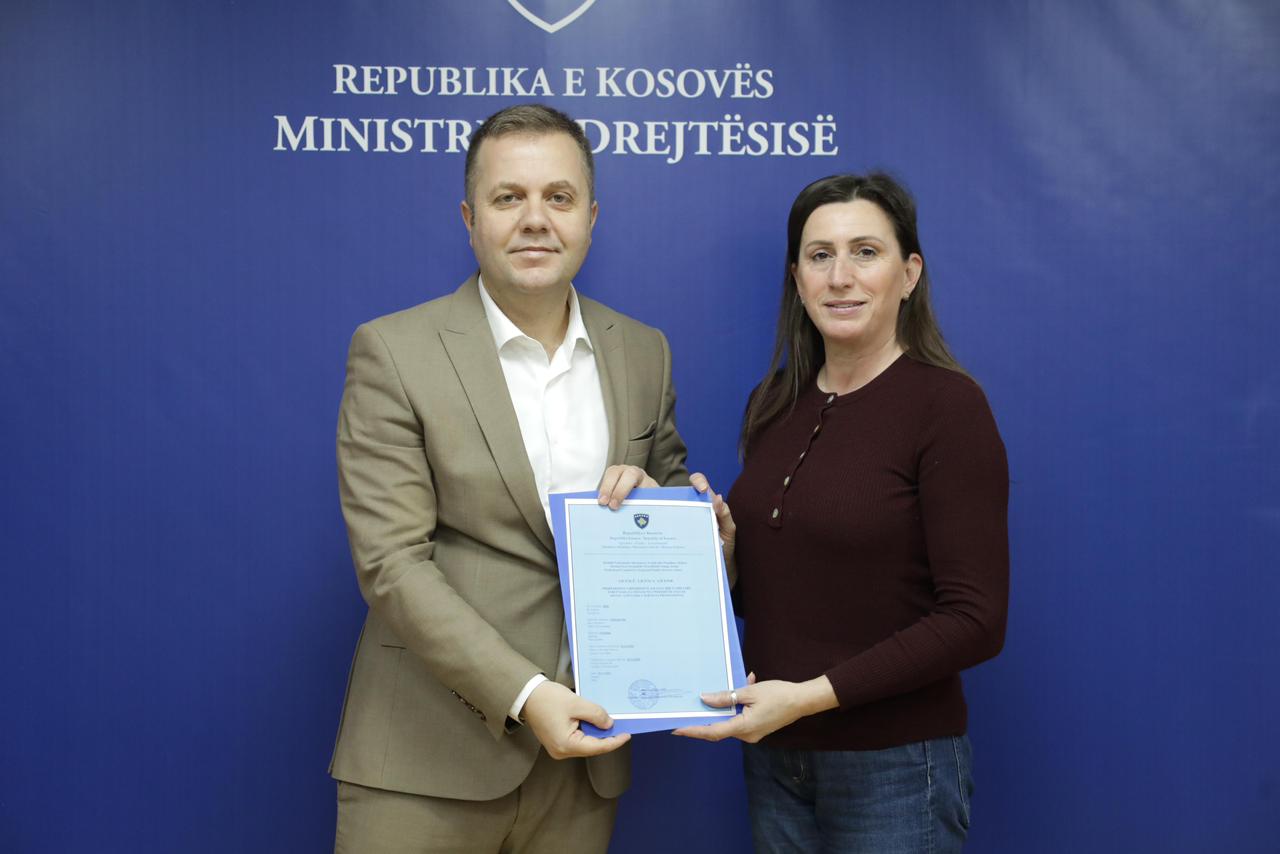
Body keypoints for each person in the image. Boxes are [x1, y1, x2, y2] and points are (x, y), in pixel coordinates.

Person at [330, 103, 689, 853]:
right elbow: (392, 563)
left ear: (591, 217)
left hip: (585, 765)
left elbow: (663, 513)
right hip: (427, 758)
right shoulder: (393, 351)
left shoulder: (643, 352)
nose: (535, 219)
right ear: (470, 219)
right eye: (508, 198)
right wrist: (527, 696)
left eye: (558, 197)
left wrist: (703, 535)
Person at [676, 173, 1009, 853]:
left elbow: (976, 620)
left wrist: (806, 697)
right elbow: (781, 597)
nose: (840, 277)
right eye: (820, 255)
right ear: (797, 279)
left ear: (909, 274)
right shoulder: (774, 402)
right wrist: (728, 557)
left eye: (866, 252)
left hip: (896, 769)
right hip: (776, 759)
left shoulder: (948, 409)